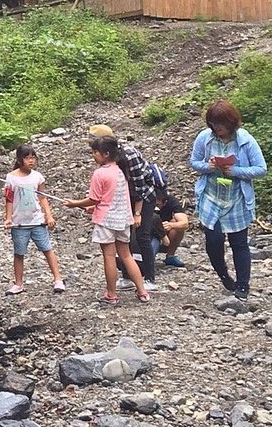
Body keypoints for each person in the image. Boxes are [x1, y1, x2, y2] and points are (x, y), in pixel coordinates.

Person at [190, 99, 266, 299]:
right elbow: (194, 162)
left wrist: (236, 171)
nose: (217, 128)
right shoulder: (205, 138)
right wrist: (209, 166)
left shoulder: (245, 140)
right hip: (211, 196)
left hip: (237, 198)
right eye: (213, 124)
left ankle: (243, 286)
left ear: (231, 122)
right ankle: (223, 274)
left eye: (220, 124)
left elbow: (261, 169)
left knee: (239, 243)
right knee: (213, 240)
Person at [64, 135, 149, 305]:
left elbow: (94, 198)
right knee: (126, 255)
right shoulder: (120, 171)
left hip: (106, 221)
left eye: (95, 152)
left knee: (109, 256)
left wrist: (75, 204)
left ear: (106, 154)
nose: (94, 155)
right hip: (123, 219)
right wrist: (93, 207)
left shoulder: (100, 173)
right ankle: (142, 292)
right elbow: (109, 198)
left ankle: (111, 294)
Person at [89, 123, 158, 288]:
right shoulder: (107, 157)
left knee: (142, 236)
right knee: (127, 241)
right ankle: (128, 277)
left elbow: (140, 184)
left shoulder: (128, 153)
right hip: (123, 200)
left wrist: (137, 213)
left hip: (143, 198)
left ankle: (149, 278)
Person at [3, 143, 66, 295]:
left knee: (47, 249)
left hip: (37, 220)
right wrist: (8, 218)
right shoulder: (11, 178)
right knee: (19, 253)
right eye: (27, 158)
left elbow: (43, 198)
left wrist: (48, 215)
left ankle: (58, 279)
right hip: (19, 223)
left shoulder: (38, 177)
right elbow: (9, 199)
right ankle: (18, 284)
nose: (31, 161)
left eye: (33, 158)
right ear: (19, 160)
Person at [150, 167, 190, 265]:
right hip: (148, 232)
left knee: (176, 224)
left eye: (158, 205)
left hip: (164, 233)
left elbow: (185, 223)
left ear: (165, 202)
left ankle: (170, 256)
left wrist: (171, 225)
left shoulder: (171, 201)